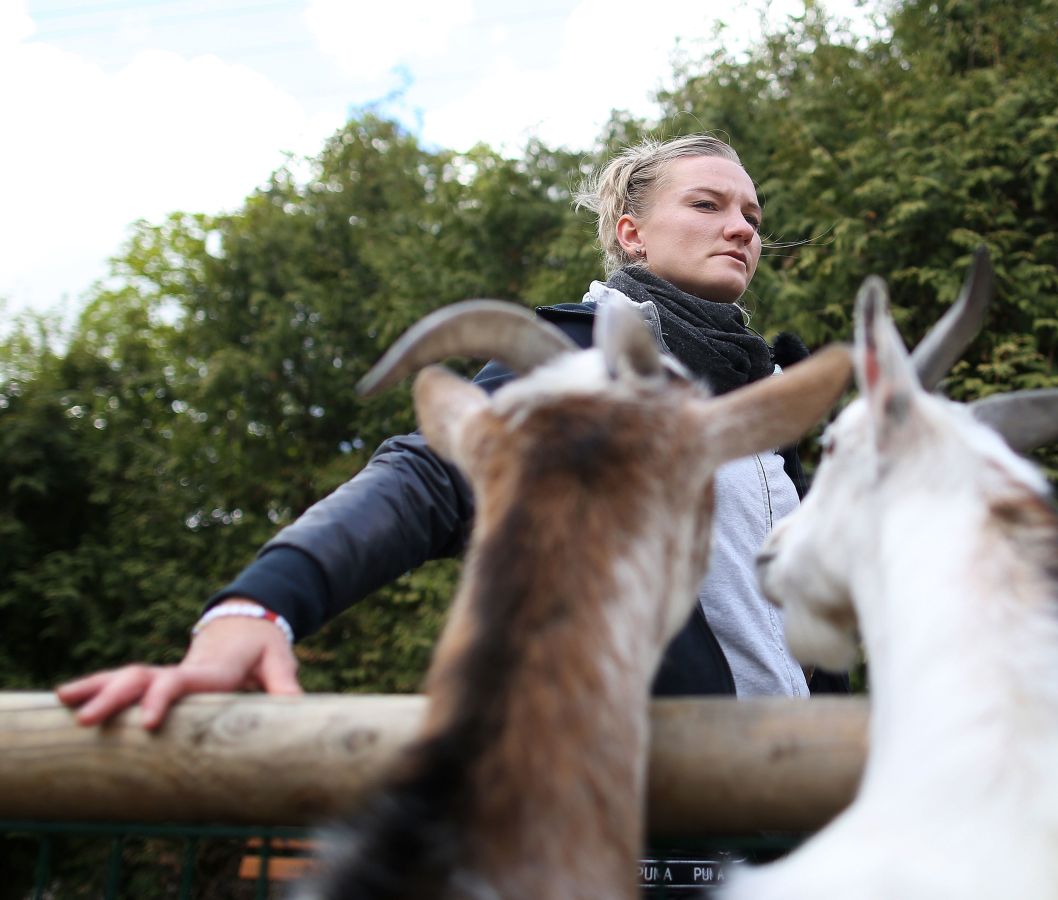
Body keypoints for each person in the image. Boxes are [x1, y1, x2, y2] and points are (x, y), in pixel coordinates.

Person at [57, 133, 846, 731]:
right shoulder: (580, 359)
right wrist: (261, 605)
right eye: (707, 205)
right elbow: (432, 477)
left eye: (752, 214)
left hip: (786, 815)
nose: (742, 228)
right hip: (638, 820)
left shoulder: (772, 401)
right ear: (632, 234)